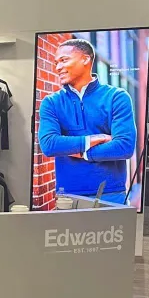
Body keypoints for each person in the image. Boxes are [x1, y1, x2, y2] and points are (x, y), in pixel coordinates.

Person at [37, 38, 137, 200]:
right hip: (66, 195)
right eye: (56, 62)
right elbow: (49, 145)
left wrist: (82, 153)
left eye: (64, 60)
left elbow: (124, 146)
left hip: (111, 193)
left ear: (85, 59)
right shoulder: (51, 102)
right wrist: (94, 139)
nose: (58, 67)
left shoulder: (116, 97)